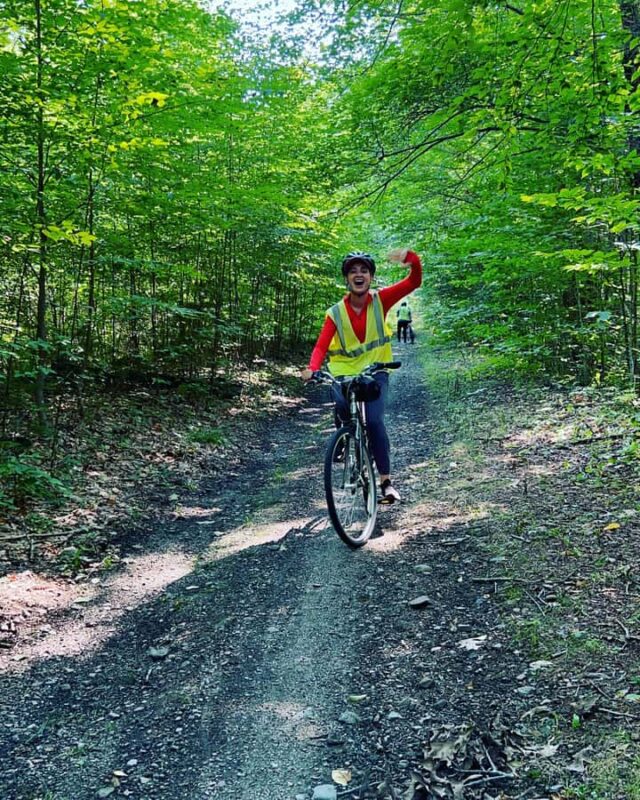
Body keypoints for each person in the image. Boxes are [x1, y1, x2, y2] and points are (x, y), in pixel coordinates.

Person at [301, 248, 422, 504]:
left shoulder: (382, 300)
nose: (358, 275)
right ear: (346, 279)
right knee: (343, 406)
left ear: (371, 277)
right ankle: (345, 435)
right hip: (344, 371)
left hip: (375, 369)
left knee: (375, 421)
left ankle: (386, 482)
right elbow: (321, 345)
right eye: (353, 271)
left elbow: (414, 281)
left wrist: (411, 258)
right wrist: (312, 368)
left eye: (364, 271)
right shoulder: (335, 312)